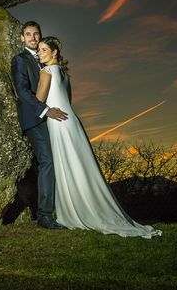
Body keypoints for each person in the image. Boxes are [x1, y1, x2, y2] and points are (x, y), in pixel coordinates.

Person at [35, 36, 162, 238]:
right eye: (39, 50)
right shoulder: (64, 74)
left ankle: (73, 210)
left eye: (43, 50)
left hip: (58, 123)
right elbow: (67, 100)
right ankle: (86, 206)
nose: (39, 53)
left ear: (54, 52)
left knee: (66, 166)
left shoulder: (46, 71)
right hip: (71, 122)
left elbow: (38, 100)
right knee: (79, 167)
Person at [11, 21, 69, 230]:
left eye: (36, 34)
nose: (33, 38)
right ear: (22, 38)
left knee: (55, 161)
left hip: (51, 119)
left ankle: (61, 209)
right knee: (48, 161)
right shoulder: (19, 60)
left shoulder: (45, 60)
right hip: (34, 119)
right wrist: (45, 110)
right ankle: (45, 216)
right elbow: (22, 91)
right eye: (28, 34)